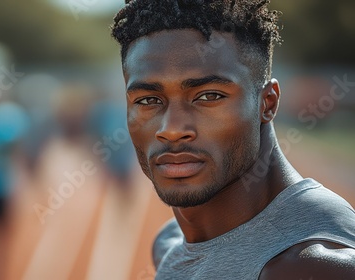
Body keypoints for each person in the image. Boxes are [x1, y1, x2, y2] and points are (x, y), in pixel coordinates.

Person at [110, 0, 355, 279]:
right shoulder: (170, 243)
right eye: (148, 100)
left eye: (209, 96)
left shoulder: (307, 267)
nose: (173, 129)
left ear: (268, 102)